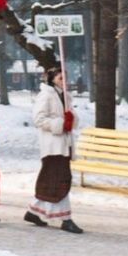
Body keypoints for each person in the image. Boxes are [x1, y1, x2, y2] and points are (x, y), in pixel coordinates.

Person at [24, 65, 83, 234]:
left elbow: (70, 118)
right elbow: (39, 119)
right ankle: (66, 219)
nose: (64, 81)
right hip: (53, 144)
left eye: (65, 77)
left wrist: (71, 120)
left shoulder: (65, 96)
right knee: (59, 179)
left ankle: (33, 211)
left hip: (64, 144)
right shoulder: (46, 95)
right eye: (60, 78)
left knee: (54, 180)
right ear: (52, 79)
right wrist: (59, 124)